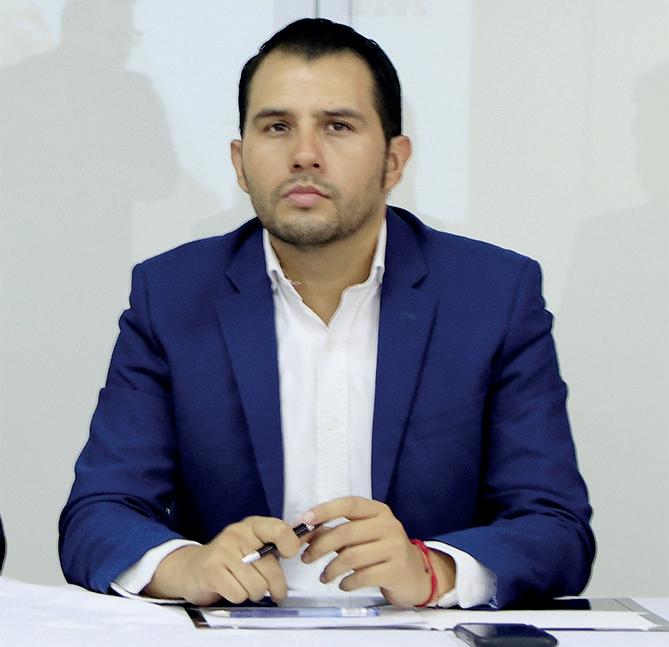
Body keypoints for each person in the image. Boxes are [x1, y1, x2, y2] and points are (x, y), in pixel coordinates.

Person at [59, 18, 594, 609]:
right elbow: (98, 514)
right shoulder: (172, 294)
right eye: (277, 127)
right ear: (240, 161)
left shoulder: (492, 295)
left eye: (337, 126)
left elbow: (555, 527)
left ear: (394, 161)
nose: (304, 155)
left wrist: (433, 568)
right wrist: (188, 566)